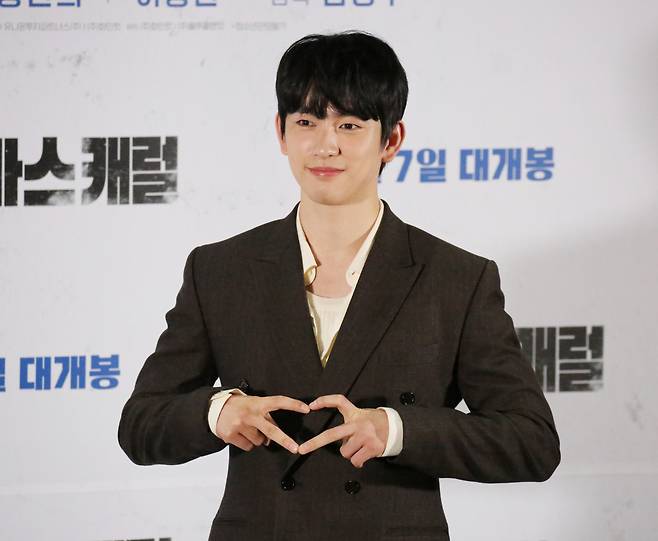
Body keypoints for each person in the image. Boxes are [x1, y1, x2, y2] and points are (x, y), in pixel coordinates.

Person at [118, 30, 560, 541]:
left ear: (390, 140)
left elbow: (531, 441)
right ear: (281, 133)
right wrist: (218, 411)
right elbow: (140, 425)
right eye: (307, 121)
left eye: (350, 124)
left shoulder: (455, 278)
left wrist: (397, 430)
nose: (326, 145)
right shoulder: (220, 269)